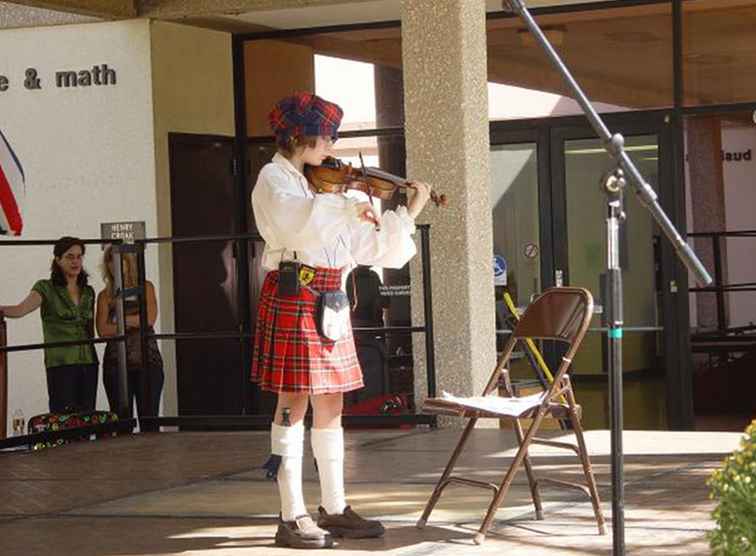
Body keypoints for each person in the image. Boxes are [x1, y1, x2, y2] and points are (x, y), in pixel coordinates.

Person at [251, 91, 431, 549]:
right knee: (292, 405)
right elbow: (298, 227)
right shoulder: (275, 179)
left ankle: (333, 508)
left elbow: (372, 251)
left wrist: (404, 214)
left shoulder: (326, 187)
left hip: (331, 297)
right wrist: (344, 203)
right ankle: (290, 514)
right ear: (299, 136)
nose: (332, 147)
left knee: (331, 405)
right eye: (326, 137)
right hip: (297, 292)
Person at [0, 236, 98, 413]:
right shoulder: (45, 287)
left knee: (87, 416)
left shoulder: (89, 291)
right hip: (60, 362)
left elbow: (91, 329)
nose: (75, 261)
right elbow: (21, 309)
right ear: (58, 260)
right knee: (63, 418)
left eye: (79, 256)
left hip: (88, 361)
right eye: (70, 256)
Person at [96, 245, 163, 431]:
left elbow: (149, 318)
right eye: (110, 260)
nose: (114, 264)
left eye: (120, 260)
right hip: (116, 364)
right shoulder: (104, 295)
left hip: (147, 361)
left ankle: (151, 460)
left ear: (129, 262)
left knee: (149, 422)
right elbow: (102, 330)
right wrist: (133, 321)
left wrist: (119, 319)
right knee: (121, 424)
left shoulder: (146, 287)